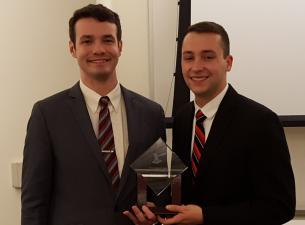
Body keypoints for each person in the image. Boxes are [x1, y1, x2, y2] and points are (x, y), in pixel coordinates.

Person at [125, 21, 296, 225]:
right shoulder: (183, 117)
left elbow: (280, 207)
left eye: (208, 57)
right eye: (188, 57)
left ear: (228, 62)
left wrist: (206, 216)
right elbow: (185, 188)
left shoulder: (261, 122)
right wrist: (157, 209)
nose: (196, 67)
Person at [21, 4, 165, 225]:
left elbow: (160, 188)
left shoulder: (151, 113)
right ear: (72, 48)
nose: (98, 49)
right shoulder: (47, 114)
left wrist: (155, 213)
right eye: (87, 41)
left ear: (120, 46)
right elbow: (34, 203)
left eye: (107, 40)